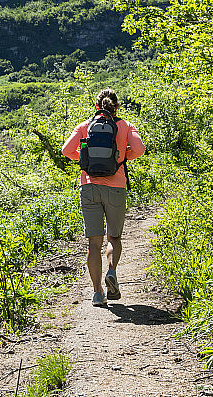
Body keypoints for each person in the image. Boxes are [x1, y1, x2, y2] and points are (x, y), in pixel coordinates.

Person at [61, 88, 145, 307]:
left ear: (96, 107)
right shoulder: (125, 126)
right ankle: (112, 271)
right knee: (113, 238)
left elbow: (66, 150)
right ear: (116, 107)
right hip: (116, 187)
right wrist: (121, 157)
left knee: (93, 243)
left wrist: (85, 159)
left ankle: (98, 293)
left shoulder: (84, 126)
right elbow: (139, 149)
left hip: (89, 187)